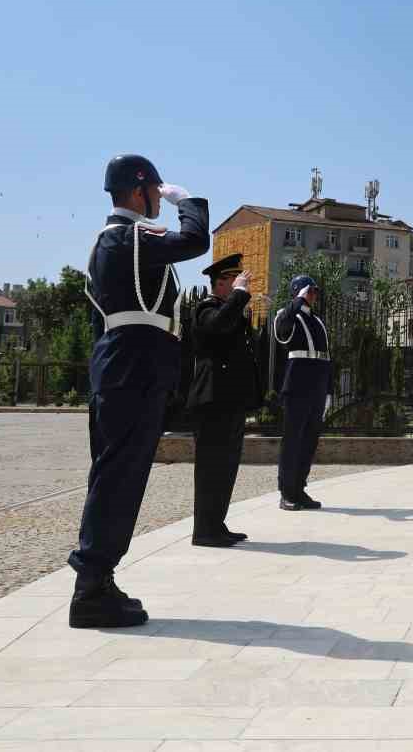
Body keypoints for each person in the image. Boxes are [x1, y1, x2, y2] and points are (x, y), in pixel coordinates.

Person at [69, 154, 209, 628]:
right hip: (135, 361)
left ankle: (98, 580)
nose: (158, 203)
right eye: (155, 194)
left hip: (117, 359)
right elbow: (194, 240)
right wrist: (187, 202)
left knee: (113, 471)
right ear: (139, 190)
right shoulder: (130, 235)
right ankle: (91, 586)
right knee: (119, 473)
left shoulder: (106, 243)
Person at [187, 253, 262, 547]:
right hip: (212, 402)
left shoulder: (226, 310)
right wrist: (241, 296)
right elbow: (217, 326)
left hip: (229, 401)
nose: (241, 285)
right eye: (235, 281)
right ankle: (204, 530)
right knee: (211, 468)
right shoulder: (205, 309)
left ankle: (215, 524)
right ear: (220, 283)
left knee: (226, 466)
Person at [271, 275, 331, 512]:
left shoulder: (317, 321)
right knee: (292, 440)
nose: (314, 295)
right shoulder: (287, 316)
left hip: (317, 385)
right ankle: (286, 492)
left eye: (315, 291)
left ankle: (299, 488)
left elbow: (328, 357)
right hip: (297, 386)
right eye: (310, 291)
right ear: (298, 292)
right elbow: (281, 333)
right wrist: (297, 299)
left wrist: (329, 391)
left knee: (309, 441)